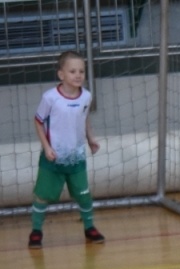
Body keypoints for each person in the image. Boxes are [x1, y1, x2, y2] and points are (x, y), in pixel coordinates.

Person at [30, 50, 104, 249]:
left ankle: (89, 228)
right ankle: (36, 231)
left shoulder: (86, 96)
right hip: (53, 159)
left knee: (84, 194)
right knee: (43, 195)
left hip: (76, 158)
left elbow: (84, 117)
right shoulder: (50, 98)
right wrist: (46, 148)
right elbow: (37, 122)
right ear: (61, 75)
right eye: (72, 71)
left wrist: (90, 139)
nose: (78, 75)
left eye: (81, 71)